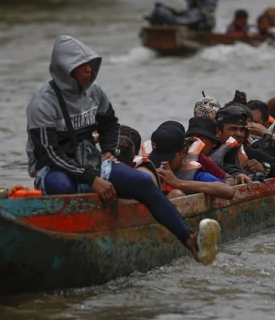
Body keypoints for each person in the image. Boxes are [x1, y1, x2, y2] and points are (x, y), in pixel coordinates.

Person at [26, 35, 220, 264]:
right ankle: (70, 251)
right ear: (64, 70)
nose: (89, 70)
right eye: (82, 66)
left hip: (87, 161)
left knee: (143, 182)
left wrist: (109, 150)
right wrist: (93, 179)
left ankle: (190, 241)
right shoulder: (43, 103)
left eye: (91, 65)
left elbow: (109, 124)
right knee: (63, 187)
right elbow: (49, 154)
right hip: (52, 166)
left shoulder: (94, 92)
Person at [145, 122, 236, 200]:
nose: (163, 163)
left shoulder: (193, 174)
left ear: (183, 152)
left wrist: (178, 183)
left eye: (168, 158)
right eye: (158, 158)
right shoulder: (151, 170)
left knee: (176, 194)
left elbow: (229, 191)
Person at [212, 106, 275, 183]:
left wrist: (264, 168)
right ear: (218, 132)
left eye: (242, 130)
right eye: (233, 129)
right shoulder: (208, 152)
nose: (239, 134)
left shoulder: (247, 153)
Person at [186, 116, 253, 186]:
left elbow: (231, 169)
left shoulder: (221, 159)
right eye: (191, 139)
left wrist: (238, 175)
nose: (195, 143)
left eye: (201, 139)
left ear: (214, 143)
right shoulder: (182, 156)